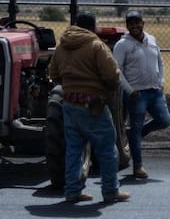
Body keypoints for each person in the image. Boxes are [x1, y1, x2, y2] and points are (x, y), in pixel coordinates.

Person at [49, 11, 130, 204]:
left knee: (74, 150)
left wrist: (70, 85)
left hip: (68, 103)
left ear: (76, 25)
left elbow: (53, 73)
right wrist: (106, 91)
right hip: (93, 104)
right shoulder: (97, 45)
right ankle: (110, 191)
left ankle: (72, 192)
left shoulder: (62, 46)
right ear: (93, 26)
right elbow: (112, 75)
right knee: (107, 150)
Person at [113, 10, 170, 179]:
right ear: (127, 26)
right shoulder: (122, 45)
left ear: (143, 23)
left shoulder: (151, 39)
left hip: (155, 91)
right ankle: (138, 167)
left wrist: (161, 82)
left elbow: (160, 61)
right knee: (136, 126)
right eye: (131, 23)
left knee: (164, 120)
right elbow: (118, 70)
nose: (135, 26)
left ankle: (133, 136)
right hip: (136, 94)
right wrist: (130, 91)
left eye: (137, 22)